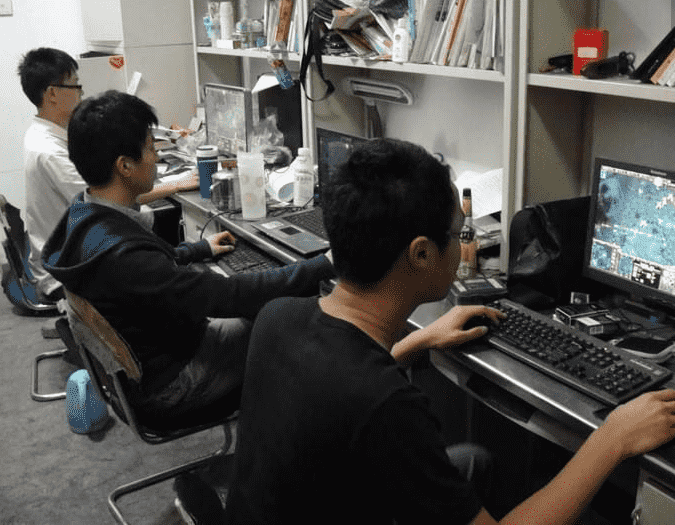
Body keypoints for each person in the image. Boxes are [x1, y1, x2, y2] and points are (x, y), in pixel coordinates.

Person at [224, 138, 675, 524]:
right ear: (421, 254)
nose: (463, 248)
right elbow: (366, 402)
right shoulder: (387, 407)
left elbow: (338, 394)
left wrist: (418, 340)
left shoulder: (277, 318)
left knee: (476, 463)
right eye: (459, 235)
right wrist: (612, 439)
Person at [41, 90, 335, 425]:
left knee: (267, 310)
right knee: (291, 320)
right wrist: (323, 264)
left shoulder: (85, 213)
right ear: (124, 166)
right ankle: (285, 440)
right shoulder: (126, 257)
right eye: (151, 148)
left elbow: (146, 274)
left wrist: (198, 249)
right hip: (171, 385)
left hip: (155, 362)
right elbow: (226, 295)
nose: (156, 157)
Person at [18, 47, 199, 302]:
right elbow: (108, 196)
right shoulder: (49, 152)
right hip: (64, 275)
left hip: (70, 254)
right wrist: (177, 184)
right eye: (75, 85)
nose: (81, 93)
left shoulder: (45, 135)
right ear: (52, 94)